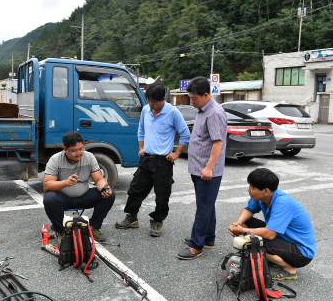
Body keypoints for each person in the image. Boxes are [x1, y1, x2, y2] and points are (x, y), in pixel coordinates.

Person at [115, 83, 190, 237]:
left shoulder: (173, 113)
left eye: (153, 102)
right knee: (135, 189)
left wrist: (176, 154)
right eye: (148, 101)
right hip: (146, 159)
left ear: (162, 100)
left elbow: (185, 134)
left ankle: (157, 222)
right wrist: (141, 148)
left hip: (163, 162)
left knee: (162, 194)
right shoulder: (146, 110)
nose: (150, 105)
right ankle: (131, 218)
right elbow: (141, 130)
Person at [228, 168, 315, 280]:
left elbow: (269, 235)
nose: (249, 190)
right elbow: (249, 210)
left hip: (301, 252)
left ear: (266, 190)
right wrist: (238, 223)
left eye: (253, 188)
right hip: (283, 239)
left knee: (257, 243)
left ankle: (289, 269)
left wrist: (242, 231)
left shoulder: (282, 203)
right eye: (249, 185)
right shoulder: (260, 197)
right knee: (247, 222)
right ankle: (273, 258)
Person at [178, 76, 227, 260]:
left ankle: (195, 245)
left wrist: (208, 168)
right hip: (198, 168)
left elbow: (217, 143)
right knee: (206, 205)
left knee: (203, 207)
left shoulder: (214, 112)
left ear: (206, 95)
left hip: (207, 171)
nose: (191, 101)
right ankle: (208, 238)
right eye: (190, 97)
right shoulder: (202, 110)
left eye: (194, 98)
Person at [43, 131, 115, 243]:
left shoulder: (89, 157)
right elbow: (47, 185)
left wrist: (105, 188)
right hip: (63, 199)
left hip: (84, 197)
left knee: (109, 195)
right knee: (49, 198)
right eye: (74, 151)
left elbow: (99, 179)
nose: (78, 153)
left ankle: (94, 227)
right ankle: (61, 231)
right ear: (65, 149)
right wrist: (65, 183)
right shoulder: (55, 159)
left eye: (81, 149)